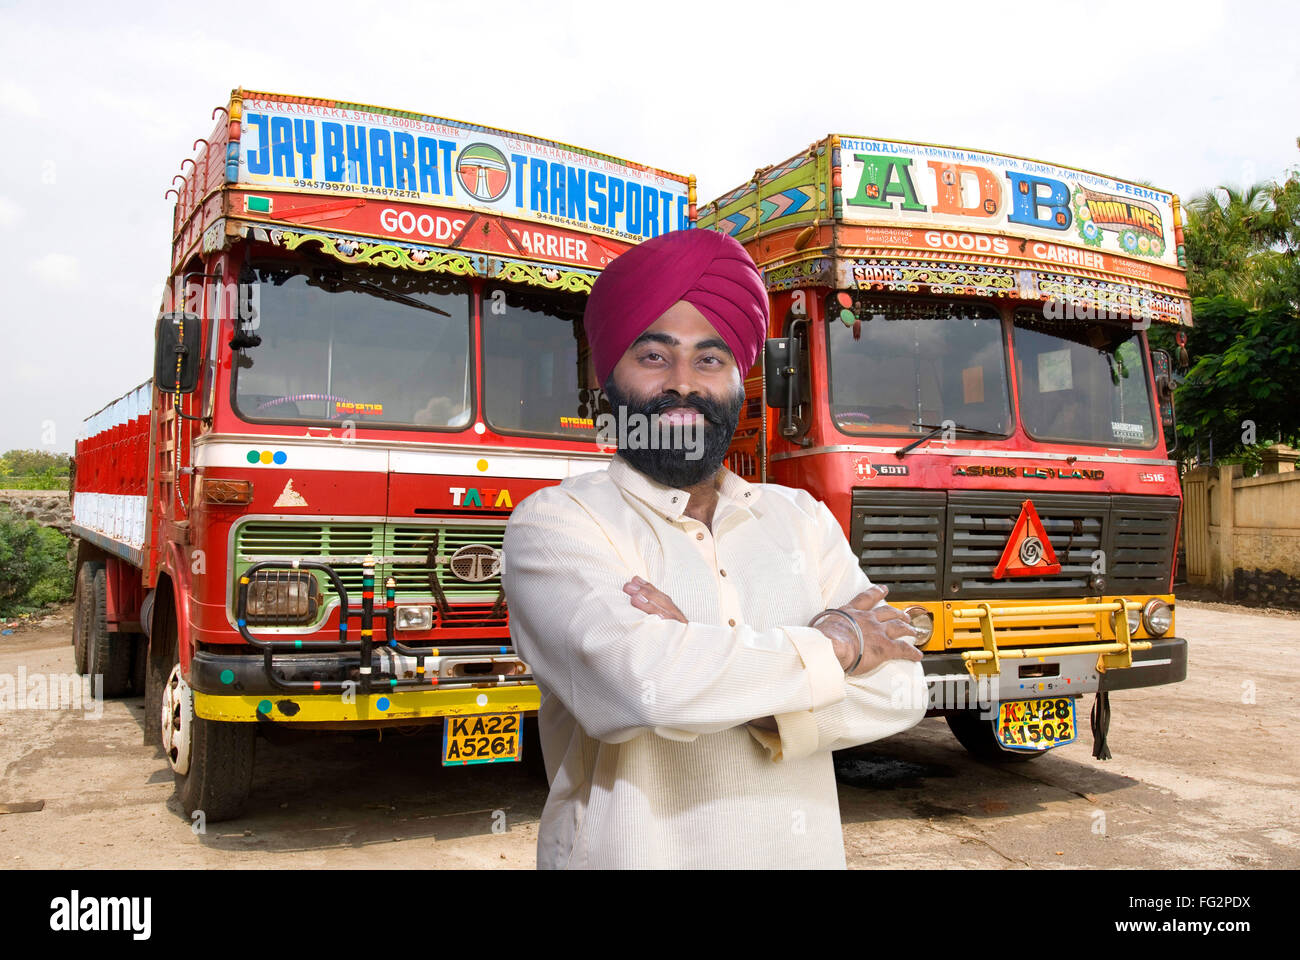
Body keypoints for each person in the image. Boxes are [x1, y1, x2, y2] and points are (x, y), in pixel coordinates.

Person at [501, 228, 927, 869]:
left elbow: (903, 689)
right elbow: (645, 688)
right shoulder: (558, 524)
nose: (685, 384)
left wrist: (751, 704)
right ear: (605, 372)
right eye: (653, 357)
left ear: (739, 377)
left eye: (710, 359)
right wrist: (840, 643)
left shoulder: (800, 519)